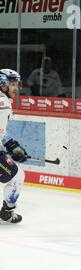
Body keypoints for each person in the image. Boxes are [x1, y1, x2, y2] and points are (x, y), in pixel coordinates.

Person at [0, 69, 28, 224]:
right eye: (13, 84)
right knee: (17, 177)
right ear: (3, 84)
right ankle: (7, 212)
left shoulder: (4, 101)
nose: (16, 88)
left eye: (17, 84)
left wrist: (11, 145)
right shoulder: (2, 103)